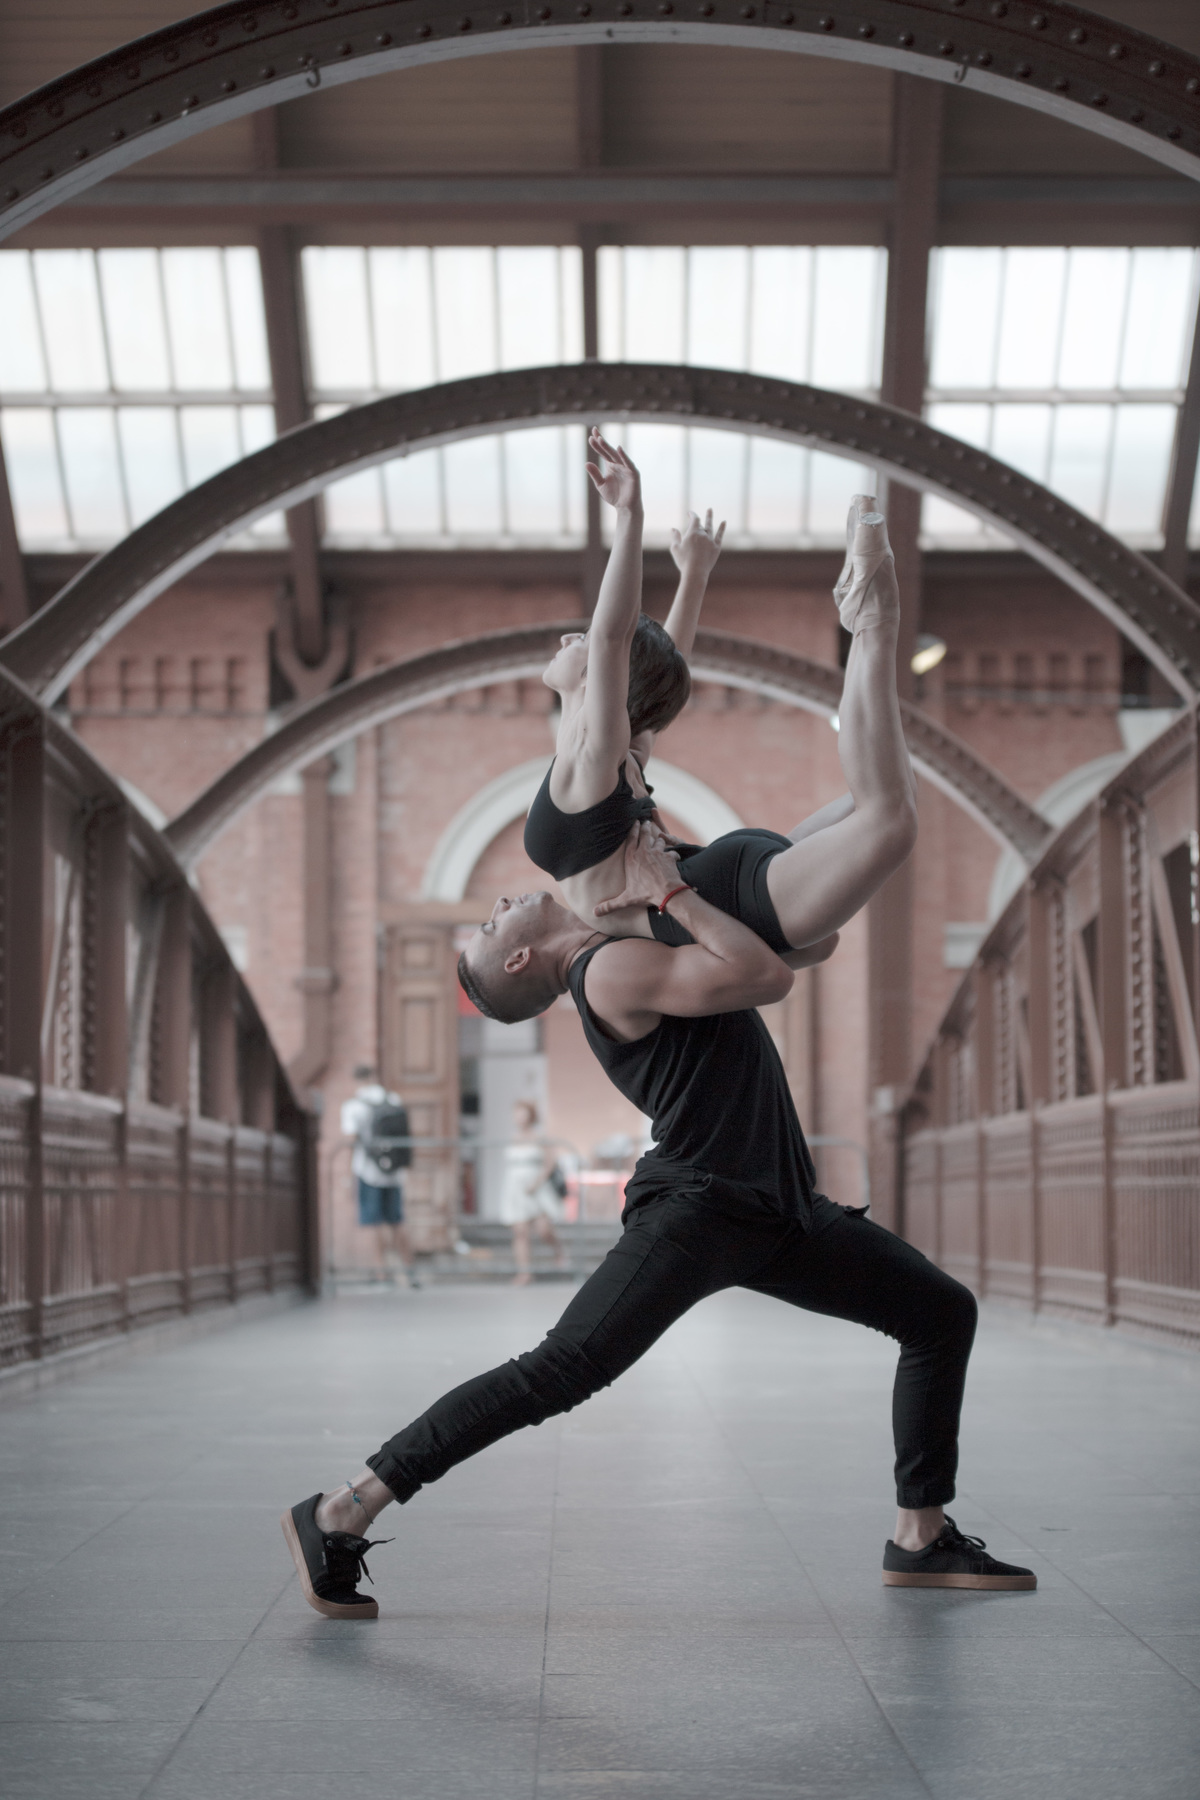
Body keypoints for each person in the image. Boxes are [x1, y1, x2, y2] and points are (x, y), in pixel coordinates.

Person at [282, 824, 1035, 1619]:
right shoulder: (602, 969)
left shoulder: (628, 943)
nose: (500, 904)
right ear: (516, 959)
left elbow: (809, 947)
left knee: (939, 1313)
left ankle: (919, 1535)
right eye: (491, 923)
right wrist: (675, 894)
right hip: (701, 1208)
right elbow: (767, 977)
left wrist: (684, 883)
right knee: (558, 1371)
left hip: (776, 1211)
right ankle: (341, 1509)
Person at [460, 470, 914, 1023]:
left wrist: (693, 576)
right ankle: (867, 620)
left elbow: (656, 673)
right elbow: (613, 636)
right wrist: (629, 517)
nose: (567, 638)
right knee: (887, 805)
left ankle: (870, 622)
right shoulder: (586, 769)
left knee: (888, 813)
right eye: (491, 926)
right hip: (727, 889)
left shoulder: (598, 770)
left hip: (728, 887)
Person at [340, 1068, 420, 1290]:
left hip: (368, 1171)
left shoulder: (353, 1106)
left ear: (356, 1079)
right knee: (397, 1221)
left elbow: (350, 1141)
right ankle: (409, 1270)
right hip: (394, 1173)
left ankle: (382, 1273)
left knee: (372, 1222)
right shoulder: (393, 1099)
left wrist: (347, 1178)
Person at [497, 1099, 569, 1286]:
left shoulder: (540, 1137)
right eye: (516, 1113)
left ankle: (558, 1250)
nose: (519, 1117)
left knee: (543, 1229)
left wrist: (537, 1183)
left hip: (537, 1188)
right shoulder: (513, 1137)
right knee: (520, 1232)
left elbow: (550, 1162)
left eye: (523, 1113)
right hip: (515, 1187)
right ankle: (524, 1272)